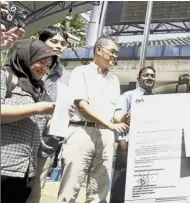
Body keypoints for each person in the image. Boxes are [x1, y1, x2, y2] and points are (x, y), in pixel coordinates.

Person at [57, 36, 128, 203]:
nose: (115, 56)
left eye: (117, 53)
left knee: (99, 191)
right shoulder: (80, 72)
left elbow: (116, 112)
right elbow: (82, 106)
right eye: (112, 51)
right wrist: (111, 124)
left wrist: (123, 119)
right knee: (70, 188)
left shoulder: (114, 80)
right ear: (98, 50)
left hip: (105, 136)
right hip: (81, 131)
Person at [1, 39, 57, 203]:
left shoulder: (40, 90)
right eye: (41, 61)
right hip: (3, 166)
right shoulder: (5, 76)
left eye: (48, 66)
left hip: (26, 171)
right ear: (27, 57)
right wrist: (38, 108)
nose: (45, 69)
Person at [26, 26, 70, 203]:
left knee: (35, 193)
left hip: (46, 144)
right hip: (20, 139)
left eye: (63, 43)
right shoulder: (26, 67)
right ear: (41, 42)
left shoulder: (68, 77)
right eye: (54, 41)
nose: (59, 46)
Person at [110, 66, 157, 203]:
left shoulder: (157, 99)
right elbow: (118, 120)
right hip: (128, 146)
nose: (149, 78)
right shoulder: (128, 96)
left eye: (152, 76)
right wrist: (122, 142)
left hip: (148, 149)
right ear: (138, 78)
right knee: (121, 183)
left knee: (143, 185)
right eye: (146, 75)